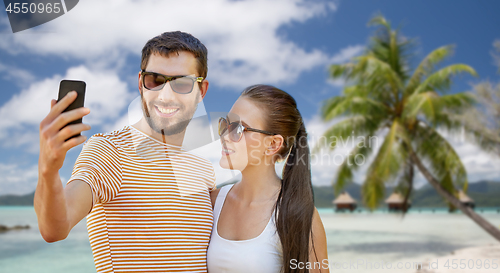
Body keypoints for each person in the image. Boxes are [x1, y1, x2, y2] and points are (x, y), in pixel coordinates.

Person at [35, 31, 217, 272]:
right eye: (155, 80)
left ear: (201, 90)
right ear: (141, 83)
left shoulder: (203, 169)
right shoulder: (110, 151)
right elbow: (54, 228)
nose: (165, 95)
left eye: (181, 83)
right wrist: (48, 169)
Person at [207, 85, 329, 273]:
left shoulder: (298, 216)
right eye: (224, 124)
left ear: (273, 144)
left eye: (238, 128)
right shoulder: (213, 202)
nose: (224, 135)